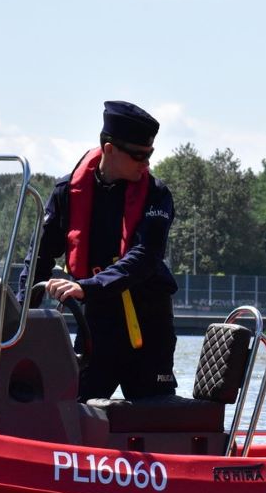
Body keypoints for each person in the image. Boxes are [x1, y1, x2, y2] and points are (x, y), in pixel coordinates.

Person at [20, 100, 178, 401]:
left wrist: (85, 287)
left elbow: (145, 257)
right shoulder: (67, 192)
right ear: (108, 149)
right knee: (67, 407)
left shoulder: (157, 195)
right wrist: (19, 314)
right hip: (96, 331)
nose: (146, 163)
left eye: (149, 155)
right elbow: (39, 256)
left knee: (156, 418)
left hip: (148, 330)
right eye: (138, 155)